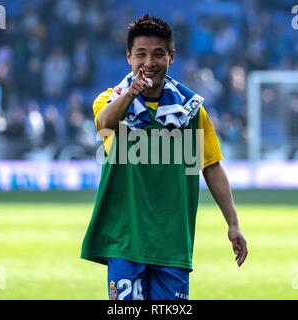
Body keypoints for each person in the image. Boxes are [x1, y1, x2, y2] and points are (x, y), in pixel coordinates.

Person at [81, 14, 247, 300]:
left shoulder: (192, 110)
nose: (149, 62)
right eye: (141, 54)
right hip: (125, 241)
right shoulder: (110, 99)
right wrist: (131, 94)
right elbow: (105, 125)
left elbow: (212, 166)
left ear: (172, 57)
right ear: (128, 57)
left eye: (158, 54)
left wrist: (233, 223)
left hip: (172, 244)